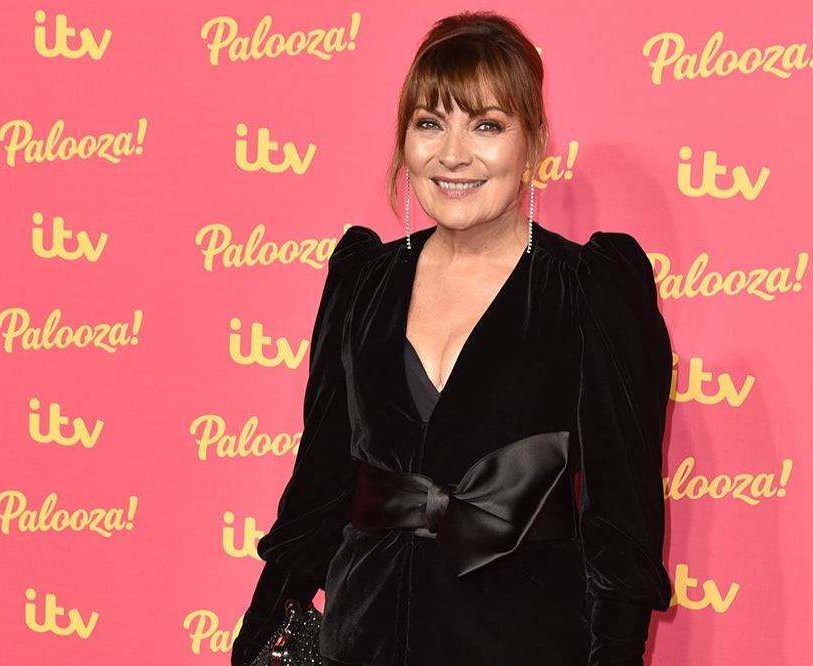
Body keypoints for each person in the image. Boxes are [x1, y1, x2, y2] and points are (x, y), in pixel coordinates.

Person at [232, 10, 673, 666]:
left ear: (533, 141)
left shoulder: (589, 292)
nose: (453, 154)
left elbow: (622, 527)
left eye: (486, 125)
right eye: (429, 123)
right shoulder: (362, 282)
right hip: (362, 639)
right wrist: (258, 630)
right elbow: (319, 487)